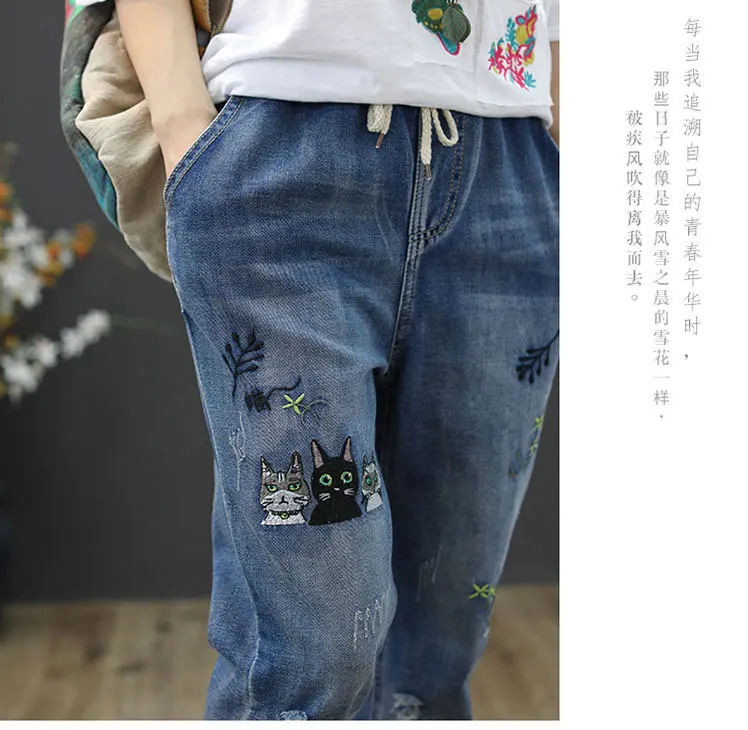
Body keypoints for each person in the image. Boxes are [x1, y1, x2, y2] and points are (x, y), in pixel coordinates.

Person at [116, 0, 559, 720]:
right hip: (283, 151)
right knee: (313, 654)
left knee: (440, 642)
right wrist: (181, 128)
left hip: (510, 165)